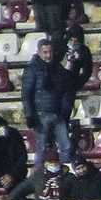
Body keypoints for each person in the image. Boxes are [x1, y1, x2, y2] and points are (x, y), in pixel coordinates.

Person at [22, 39, 81, 169]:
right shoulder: (32, 69)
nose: (48, 55)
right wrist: (30, 115)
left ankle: (67, 173)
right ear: (39, 52)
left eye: (50, 52)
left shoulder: (58, 68)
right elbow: (26, 94)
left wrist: (65, 111)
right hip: (40, 114)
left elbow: (65, 89)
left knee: (66, 146)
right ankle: (39, 176)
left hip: (57, 114)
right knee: (42, 147)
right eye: (45, 52)